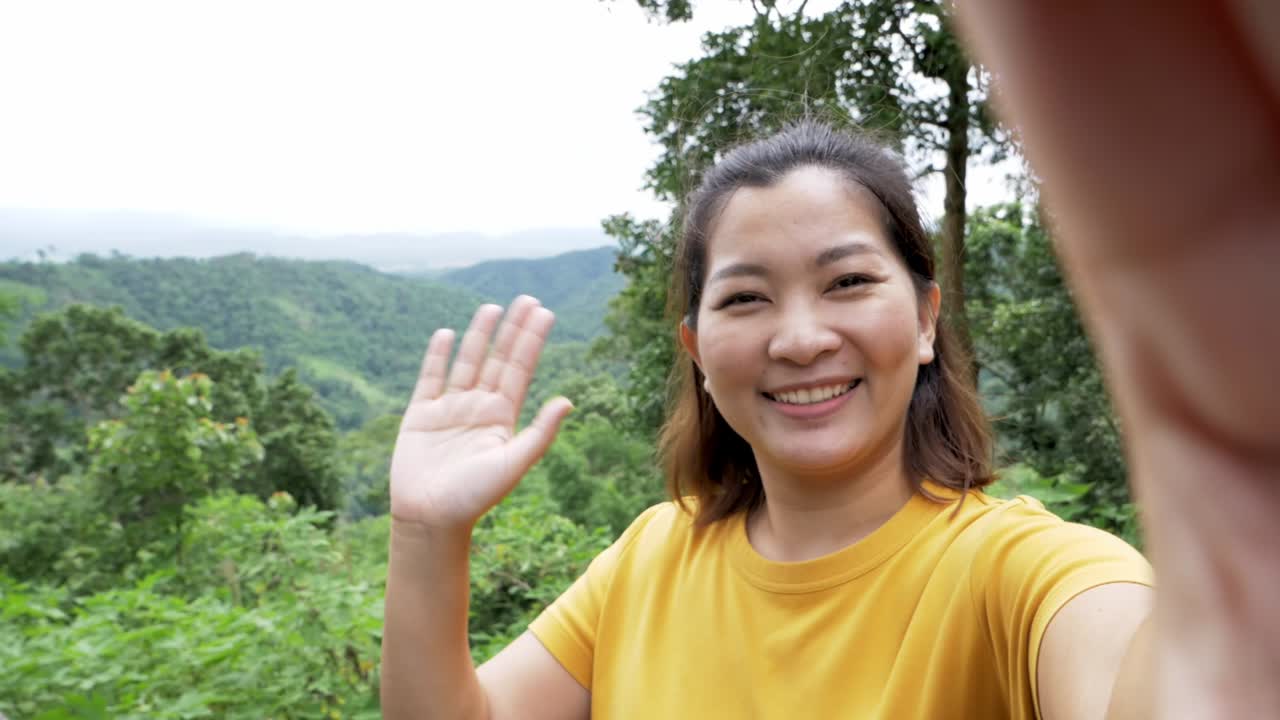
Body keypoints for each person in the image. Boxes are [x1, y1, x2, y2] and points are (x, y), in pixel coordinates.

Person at [381, 1, 1279, 717]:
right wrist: (427, 535)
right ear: (695, 350)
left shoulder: (1020, 576)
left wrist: (1239, 524)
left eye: (846, 282)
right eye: (745, 297)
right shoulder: (648, 562)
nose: (801, 337)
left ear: (926, 318)